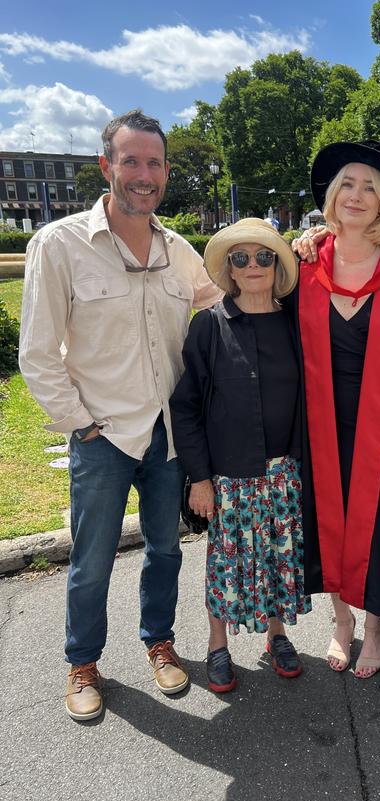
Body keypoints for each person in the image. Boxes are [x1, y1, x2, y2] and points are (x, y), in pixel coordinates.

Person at [19, 109, 221, 721]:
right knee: (92, 558)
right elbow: (37, 353)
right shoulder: (60, 244)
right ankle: (83, 661)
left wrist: (299, 258)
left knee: (165, 549)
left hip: (166, 435)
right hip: (102, 434)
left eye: (154, 163)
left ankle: (158, 643)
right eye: (130, 161)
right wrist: (81, 423)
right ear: (106, 166)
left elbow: (231, 309)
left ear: (165, 173)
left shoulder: (180, 252)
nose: (144, 173)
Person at [289, 141, 380, 678]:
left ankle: (375, 624)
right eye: (347, 183)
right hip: (316, 421)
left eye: (370, 186)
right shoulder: (301, 264)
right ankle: (341, 620)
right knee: (323, 517)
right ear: (331, 196)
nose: (357, 194)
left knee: (377, 521)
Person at [169, 219, 309, 693]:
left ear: (278, 265)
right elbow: (185, 407)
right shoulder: (208, 326)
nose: (253, 266)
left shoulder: (296, 323)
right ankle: (217, 646)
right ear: (228, 268)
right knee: (225, 565)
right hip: (229, 476)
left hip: (283, 472)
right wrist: (200, 479)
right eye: (241, 258)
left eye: (264, 256)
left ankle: (277, 636)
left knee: (276, 559)